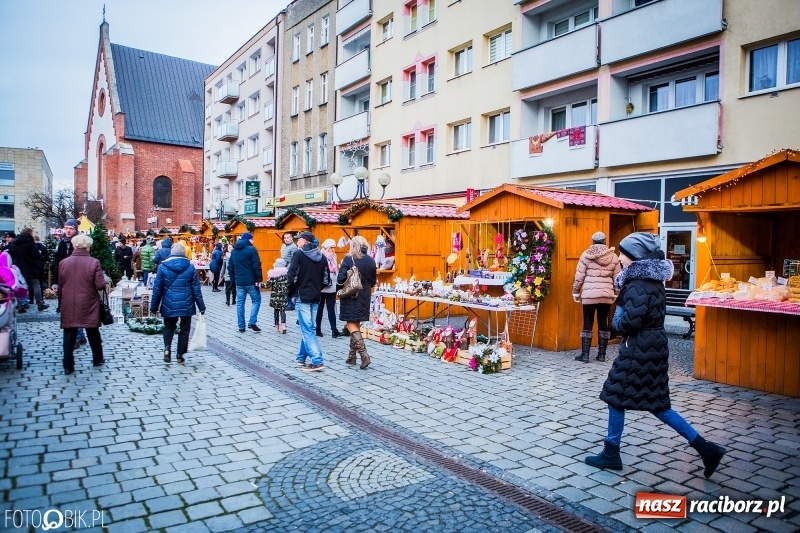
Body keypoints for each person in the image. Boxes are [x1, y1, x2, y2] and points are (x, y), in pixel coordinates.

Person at [585, 232, 726, 478]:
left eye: (622, 253)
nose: (619, 257)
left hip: (639, 348)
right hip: (653, 346)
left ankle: (611, 453)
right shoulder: (651, 280)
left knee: (616, 396)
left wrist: (617, 317)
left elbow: (629, 322)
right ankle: (706, 449)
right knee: (658, 404)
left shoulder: (638, 283)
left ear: (634, 257)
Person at [57, 234, 106, 374]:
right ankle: (98, 358)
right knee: (92, 330)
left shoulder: (64, 263)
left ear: (74, 245)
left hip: (69, 301)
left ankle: (68, 365)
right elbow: (99, 285)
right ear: (88, 246)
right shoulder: (94, 262)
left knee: (69, 333)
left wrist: (61, 301)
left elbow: (60, 285)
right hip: (88, 301)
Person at [150, 242, 206, 364]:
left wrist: (153, 306)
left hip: (168, 303)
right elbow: (196, 289)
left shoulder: (162, 267)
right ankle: (180, 354)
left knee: (169, 327)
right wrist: (201, 306)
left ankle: (167, 349)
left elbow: (157, 289)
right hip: (187, 303)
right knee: (185, 329)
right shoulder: (190, 267)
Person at [572, 231, 621, 362]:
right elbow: (618, 278)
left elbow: (579, 277)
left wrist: (576, 292)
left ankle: (585, 355)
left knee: (588, 322)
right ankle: (602, 355)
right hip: (606, 295)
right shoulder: (614, 257)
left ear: (593, 241)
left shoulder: (586, 255)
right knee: (603, 322)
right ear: (605, 241)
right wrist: (615, 293)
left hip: (589, 295)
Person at [288, 231, 329, 371]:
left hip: (302, 296)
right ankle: (301, 358)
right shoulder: (322, 257)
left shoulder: (298, 255)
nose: (297, 241)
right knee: (308, 328)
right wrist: (317, 288)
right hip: (315, 296)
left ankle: (317, 360)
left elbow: (291, 276)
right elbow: (326, 280)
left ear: (304, 241)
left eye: (299, 239)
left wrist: (290, 293)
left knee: (307, 329)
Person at [337, 235, 377, 370]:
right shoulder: (371, 260)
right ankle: (351, 356)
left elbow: (341, 277)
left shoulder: (349, 259)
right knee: (356, 324)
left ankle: (364, 355)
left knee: (350, 324)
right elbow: (373, 281)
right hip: (364, 295)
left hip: (350, 295)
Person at [227, 232, 262, 333]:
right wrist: (259, 279)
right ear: (248, 240)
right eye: (252, 239)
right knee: (256, 301)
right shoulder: (252, 249)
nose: (253, 241)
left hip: (239, 282)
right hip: (251, 281)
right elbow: (256, 266)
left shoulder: (234, 251)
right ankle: (252, 321)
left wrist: (234, 280)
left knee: (240, 304)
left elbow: (230, 267)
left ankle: (241, 326)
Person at [9, 228, 49, 312]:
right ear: (29, 233)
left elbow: (11, 255)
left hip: (18, 267)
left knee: (19, 286)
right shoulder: (30, 242)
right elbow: (36, 255)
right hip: (31, 267)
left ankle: (20, 305)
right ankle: (40, 304)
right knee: (36, 286)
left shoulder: (14, 243)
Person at [316, 238, 341, 338]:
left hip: (332, 285)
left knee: (331, 307)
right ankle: (318, 328)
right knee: (320, 308)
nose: (333, 249)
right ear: (326, 247)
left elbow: (335, 268)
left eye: (334, 247)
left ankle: (334, 330)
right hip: (322, 286)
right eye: (331, 247)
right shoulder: (320, 256)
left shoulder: (334, 256)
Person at [265, 257, 289, 333]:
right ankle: (284, 326)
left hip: (275, 297)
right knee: (283, 311)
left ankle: (276, 327)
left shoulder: (273, 275)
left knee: (276, 311)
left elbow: (267, 285)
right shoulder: (286, 275)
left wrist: (258, 284)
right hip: (284, 296)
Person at [280, 232, 298, 310]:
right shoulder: (284, 246)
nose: (286, 239)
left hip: (289, 269)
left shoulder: (293, 247)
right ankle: (287, 302)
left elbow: (293, 259)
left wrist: (288, 268)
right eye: (285, 238)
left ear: (291, 238)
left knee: (290, 286)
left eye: (288, 237)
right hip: (283, 268)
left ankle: (291, 304)